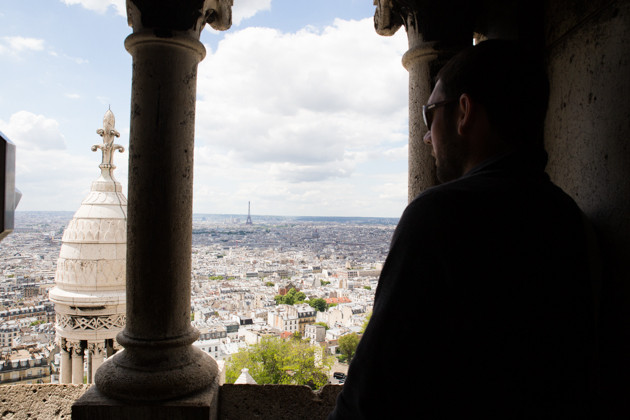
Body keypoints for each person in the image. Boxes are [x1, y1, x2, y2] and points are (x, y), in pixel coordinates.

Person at [329, 39, 598, 419]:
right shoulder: (568, 216)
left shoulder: (440, 214)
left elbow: (371, 391)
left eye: (429, 115)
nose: (426, 136)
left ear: (464, 112)